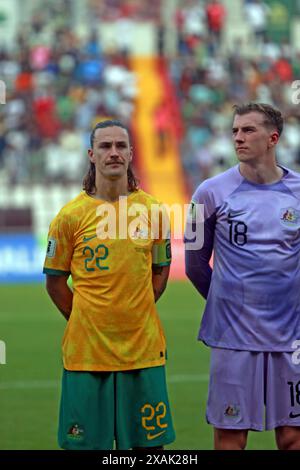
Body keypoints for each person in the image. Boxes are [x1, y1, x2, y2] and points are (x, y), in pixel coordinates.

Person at [43, 119, 175, 450]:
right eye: (105, 146)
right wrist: (88, 317)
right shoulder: (69, 217)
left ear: (131, 153)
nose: (113, 153)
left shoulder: (153, 211)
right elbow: (55, 281)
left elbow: (161, 269)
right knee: (86, 448)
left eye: (120, 146)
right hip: (86, 355)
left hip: (143, 352)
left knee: (150, 451)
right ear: (91, 154)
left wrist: (135, 308)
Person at [185, 103, 300, 450]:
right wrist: (229, 304)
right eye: (235, 131)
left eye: (248, 130)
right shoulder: (206, 193)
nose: (238, 137)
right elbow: (193, 264)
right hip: (233, 337)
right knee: (231, 438)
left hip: (292, 337)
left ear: (273, 138)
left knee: (294, 437)